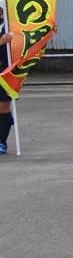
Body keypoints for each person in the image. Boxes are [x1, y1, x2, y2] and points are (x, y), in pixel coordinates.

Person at [0, 10, 13, 155]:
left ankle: (1, 141)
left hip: (6, 71)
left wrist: (48, 30)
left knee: (3, 108)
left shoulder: (10, 26)